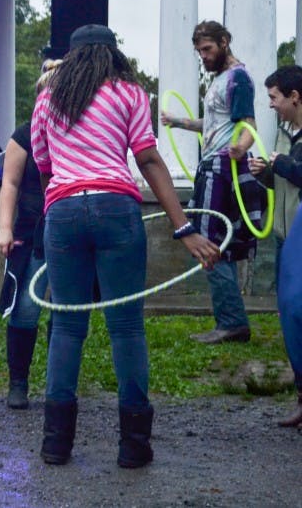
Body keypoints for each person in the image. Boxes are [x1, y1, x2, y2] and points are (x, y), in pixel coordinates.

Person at [31, 24, 219, 468]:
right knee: (127, 328)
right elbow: (149, 159)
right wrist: (184, 227)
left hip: (63, 211)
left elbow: (44, 166)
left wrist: (58, 215)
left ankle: (56, 444)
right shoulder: (130, 94)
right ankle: (134, 447)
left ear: (71, 58)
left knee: (66, 327)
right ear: (113, 55)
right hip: (116, 207)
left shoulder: (47, 99)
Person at [162, 20, 264, 344]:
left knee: (206, 240)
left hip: (222, 166)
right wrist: (178, 122)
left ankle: (231, 321)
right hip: (214, 164)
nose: (203, 56)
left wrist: (242, 147)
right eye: (199, 52)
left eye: (207, 49)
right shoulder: (220, 79)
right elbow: (215, 123)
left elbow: (248, 124)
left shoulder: (238, 77)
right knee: (218, 242)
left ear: (224, 42)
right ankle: (232, 320)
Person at [0, 61, 59, 409]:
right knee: (27, 309)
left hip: (67, 231)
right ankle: (18, 383)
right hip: (31, 231)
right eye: (45, 93)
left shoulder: (78, 133)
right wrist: (4, 228)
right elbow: (10, 184)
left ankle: (58, 385)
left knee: (65, 310)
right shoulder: (23, 134)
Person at [247, 65, 302, 428]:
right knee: (291, 318)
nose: (270, 106)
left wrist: (281, 164)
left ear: (294, 97)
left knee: (297, 310)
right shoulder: (291, 137)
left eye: (274, 98)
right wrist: (267, 174)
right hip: (287, 237)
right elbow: (289, 183)